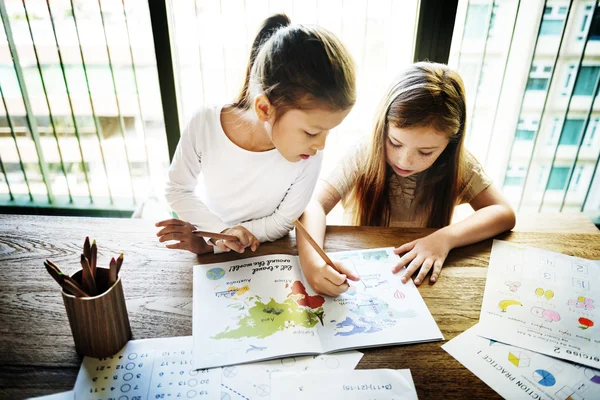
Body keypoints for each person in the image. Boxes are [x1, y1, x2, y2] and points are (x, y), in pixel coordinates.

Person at [297, 62, 516, 295]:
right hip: (361, 277)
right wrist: (313, 264)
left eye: (425, 152)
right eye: (395, 143)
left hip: (421, 282)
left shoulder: (458, 163)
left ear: (449, 145)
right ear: (383, 128)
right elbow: (314, 204)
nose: (405, 160)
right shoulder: (365, 153)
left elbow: (503, 212)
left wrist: (444, 239)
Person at [156, 14, 356, 255]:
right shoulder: (205, 123)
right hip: (209, 249)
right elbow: (177, 189)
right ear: (264, 108)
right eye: (312, 132)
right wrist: (218, 234)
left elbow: (283, 221)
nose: (321, 145)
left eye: (328, 132)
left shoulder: (308, 155)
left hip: (266, 254)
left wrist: (228, 238)